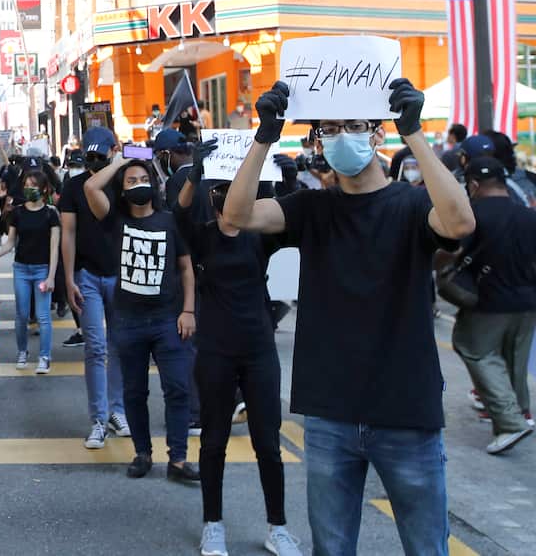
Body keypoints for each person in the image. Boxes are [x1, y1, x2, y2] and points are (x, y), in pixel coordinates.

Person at [223, 79, 475, 556]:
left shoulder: (412, 204)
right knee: (332, 548)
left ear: (378, 135)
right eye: (330, 128)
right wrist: (264, 137)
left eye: (355, 126)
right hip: (330, 413)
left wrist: (415, 134)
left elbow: (461, 223)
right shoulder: (311, 208)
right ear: (317, 141)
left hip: (405, 412)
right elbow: (236, 217)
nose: (342, 137)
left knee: (426, 548)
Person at [176, 140, 301, 556]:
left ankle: (277, 527)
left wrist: (288, 181)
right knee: (214, 442)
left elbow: (292, 222)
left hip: (258, 349)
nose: (225, 198)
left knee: (268, 443)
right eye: (220, 191)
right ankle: (213, 524)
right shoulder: (203, 237)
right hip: (215, 350)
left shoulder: (258, 238)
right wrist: (194, 173)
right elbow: (176, 213)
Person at [84, 154, 200, 483]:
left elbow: (186, 268)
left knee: (177, 389)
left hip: (168, 320)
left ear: (155, 184)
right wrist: (120, 161)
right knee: (134, 393)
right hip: (128, 321)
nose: (138, 185)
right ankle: (142, 453)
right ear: (121, 190)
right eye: (130, 181)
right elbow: (92, 186)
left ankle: (177, 459)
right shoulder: (114, 221)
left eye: (143, 179)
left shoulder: (169, 220)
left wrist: (188, 310)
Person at [451, 156, 536, 454]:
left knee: (475, 349)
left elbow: (453, 252)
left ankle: (510, 421)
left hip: (486, 302)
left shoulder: (471, 215)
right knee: (514, 357)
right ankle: (521, 411)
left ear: (473, 184)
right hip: (527, 302)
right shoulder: (528, 215)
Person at [59, 126, 131, 445]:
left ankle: (117, 410)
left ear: (112, 150)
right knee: (96, 347)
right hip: (87, 275)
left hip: (119, 273)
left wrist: (126, 159)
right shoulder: (75, 186)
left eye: (100, 154)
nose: (94, 160)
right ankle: (99, 419)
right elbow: (68, 234)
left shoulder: (124, 179)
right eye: (90, 154)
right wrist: (69, 277)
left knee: (118, 344)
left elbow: (152, 165)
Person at [0, 171, 60, 373]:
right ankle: (22, 351)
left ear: (44, 188)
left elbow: (54, 247)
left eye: (34, 185)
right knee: (21, 315)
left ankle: (45, 356)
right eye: (26, 184)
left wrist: (51, 277)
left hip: (42, 270)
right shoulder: (17, 213)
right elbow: (11, 241)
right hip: (21, 268)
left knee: (43, 316)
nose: (29, 188)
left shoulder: (51, 213)